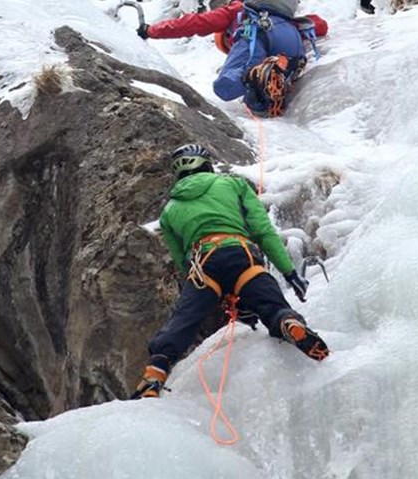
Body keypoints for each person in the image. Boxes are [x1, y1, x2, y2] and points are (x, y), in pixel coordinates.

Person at [131, 144, 329, 399]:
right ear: (206, 164)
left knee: (183, 320)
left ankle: (155, 371)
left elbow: (182, 261)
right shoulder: (233, 185)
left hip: (202, 266)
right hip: (240, 255)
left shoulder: (169, 211)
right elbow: (262, 230)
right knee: (271, 305)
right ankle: (286, 322)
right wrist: (289, 272)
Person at [139, 0, 328, 118]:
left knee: (225, 86)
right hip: (292, 39)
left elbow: (193, 23)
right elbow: (320, 25)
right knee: (265, 74)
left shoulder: (238, 11)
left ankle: (258, 79)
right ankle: (272, 78)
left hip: (257, 35)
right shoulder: (287, 15)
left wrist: (151, 31)